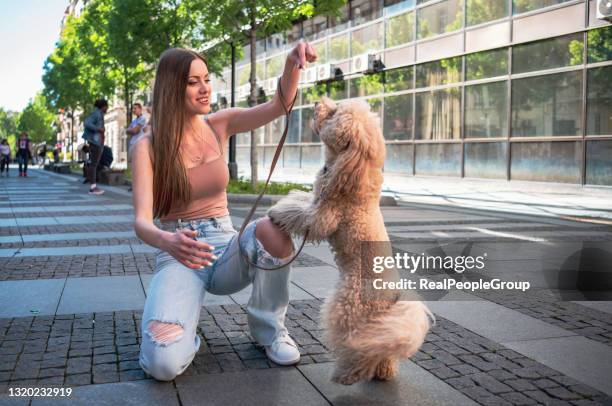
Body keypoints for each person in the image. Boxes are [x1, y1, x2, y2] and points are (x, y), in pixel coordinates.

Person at [132, 43, 316, 381]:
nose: (205, 89)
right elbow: (142, 222)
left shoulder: (219, 124)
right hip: (179, 253)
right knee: (162, 364)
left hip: (227, 245)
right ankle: (185, 336)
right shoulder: (146, 145)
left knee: (273, 230)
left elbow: (279, 105)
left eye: (207, 79)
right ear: (173, 87)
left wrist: (292, 65)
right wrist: (167, 240)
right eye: (193, 82)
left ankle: (270, 331)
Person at [82, 99, 108, 195]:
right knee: (94, 164)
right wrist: (99, 129)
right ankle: (93, 188)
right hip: (95, 142)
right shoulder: (97, 113)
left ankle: (93, 186)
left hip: (97, 142)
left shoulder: (99, 114)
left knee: (94, 164)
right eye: (106, 106)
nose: (107, 109)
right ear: (103, 106)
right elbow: (87, 123)